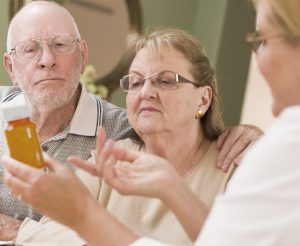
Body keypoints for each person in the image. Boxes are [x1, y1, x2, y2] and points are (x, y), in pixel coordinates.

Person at [0, 0, 263, 244]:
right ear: (10, 67)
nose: (47, 60)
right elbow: (53, 229)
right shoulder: (114, 154)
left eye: (166, 80)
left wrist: (255, 137)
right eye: (135, 82)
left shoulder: (114, 136)